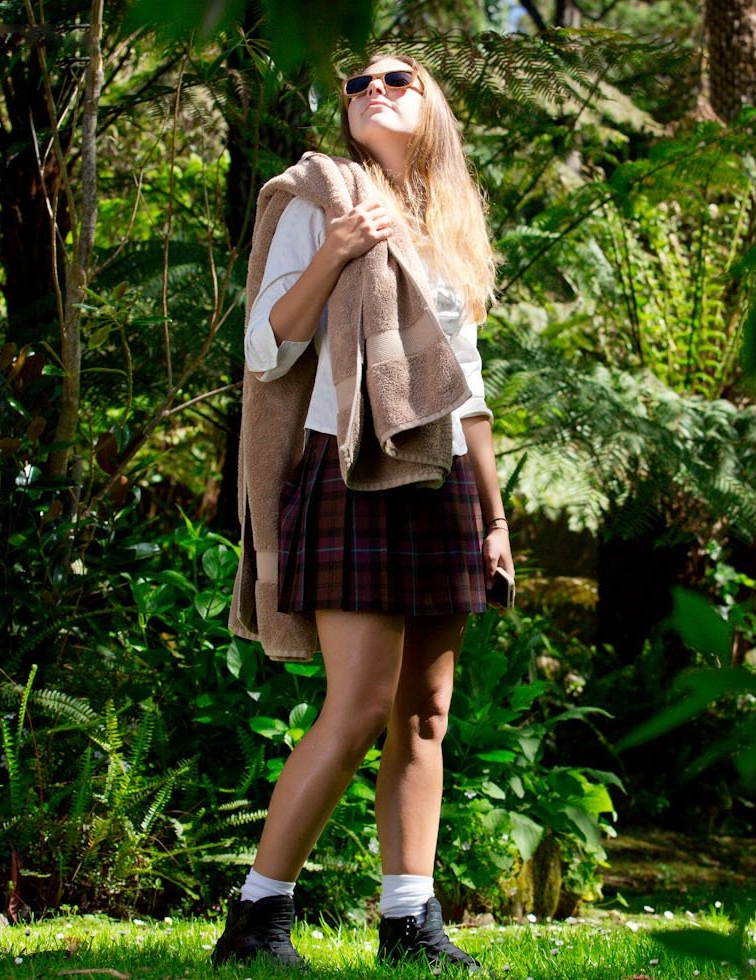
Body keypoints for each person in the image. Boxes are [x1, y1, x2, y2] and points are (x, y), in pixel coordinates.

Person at [213, 52, 512, 972]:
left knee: (425, 713)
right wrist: (339, 247)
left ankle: (408, 923)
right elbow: (265, 348)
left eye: (396, 79)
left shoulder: (446, 225)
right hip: (352, 463)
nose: (372, 90)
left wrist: (496, 518)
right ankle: (256, 918)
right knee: (357, 708)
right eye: (357, 84)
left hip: (441, 474)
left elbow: (468, 393)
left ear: (432, 108)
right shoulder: (319, 199)